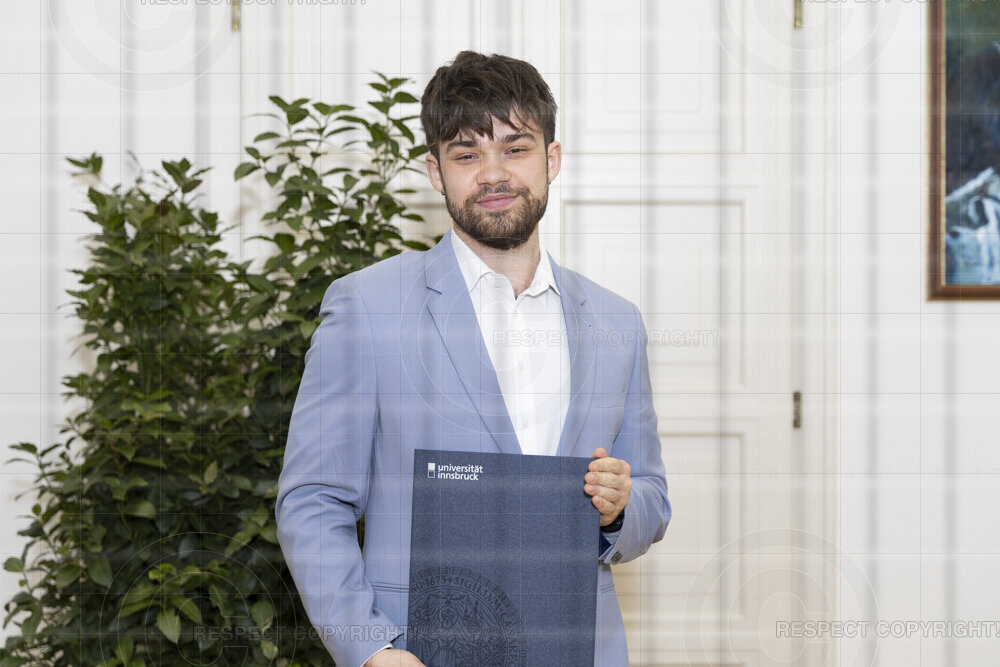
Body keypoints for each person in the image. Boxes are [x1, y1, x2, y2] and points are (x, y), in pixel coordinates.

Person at [275, 50, 671, 667]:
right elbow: (312, 500)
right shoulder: (366, 306)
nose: (493, 174)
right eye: (466, 154)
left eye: (515, 148)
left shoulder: (616, 322)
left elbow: (651, 496)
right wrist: (370, 649)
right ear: (435, 172)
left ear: (552, 159)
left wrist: (621, 507)